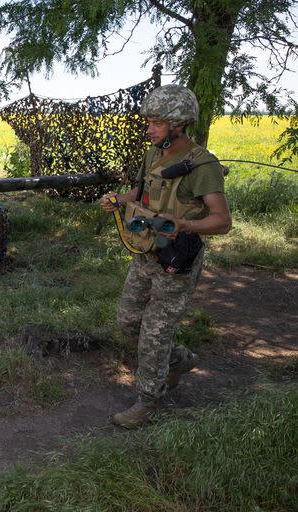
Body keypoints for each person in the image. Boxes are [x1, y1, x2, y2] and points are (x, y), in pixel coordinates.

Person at [100, 84, 232, 429]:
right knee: (128, 323)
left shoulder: (203, 165)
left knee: (154, 333)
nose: (149, 128)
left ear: (178, 124)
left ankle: (148, 401)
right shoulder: (153, 154)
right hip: (145, 252)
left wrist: (185, 223)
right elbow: (141, 192)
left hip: (177, 260)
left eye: (156, 122)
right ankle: (180, 360)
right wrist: (120, 199)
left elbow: (222, 221)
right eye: (149, 122)